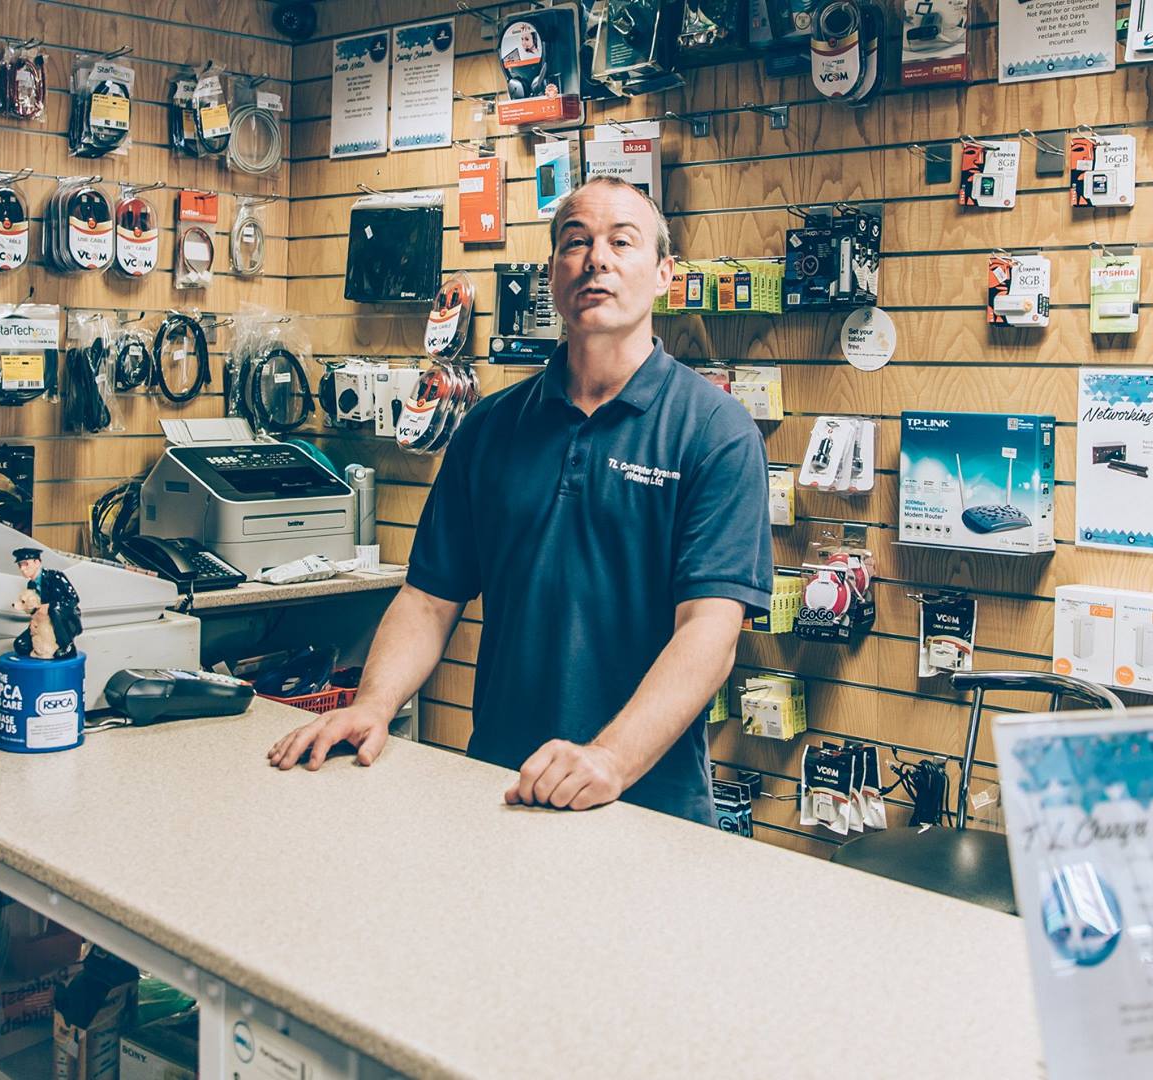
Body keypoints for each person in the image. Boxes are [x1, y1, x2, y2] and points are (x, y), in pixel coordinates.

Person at [267, 177, 773, 823]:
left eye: (623, 241)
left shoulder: (713, 430)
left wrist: (610, 759)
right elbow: (428, 598)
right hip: (499, 785)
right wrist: (372, 705)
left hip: (645, 800)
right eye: (576, 242)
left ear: (663, 274)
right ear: (552, 273)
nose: (597, 259)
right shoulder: (491, 426)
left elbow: (710, 631)